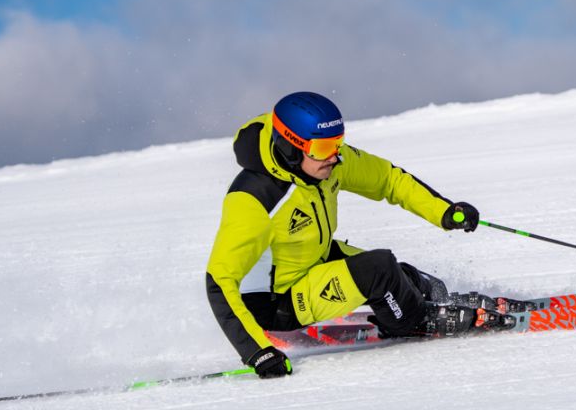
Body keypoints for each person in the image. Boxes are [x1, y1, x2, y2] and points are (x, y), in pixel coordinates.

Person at [206, 92, 483, 379]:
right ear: (290, 146)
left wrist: (445, 212)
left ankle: (430, 302)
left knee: (410, 279)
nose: (335, 156)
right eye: (325, 146)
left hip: (312, 259)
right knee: (379, 271)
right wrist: (257, 351)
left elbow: (388, 179)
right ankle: (416, 320)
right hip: (278, 302)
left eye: (338, 143)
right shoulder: (253, 201)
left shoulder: (322, 163)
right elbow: (219, 280)